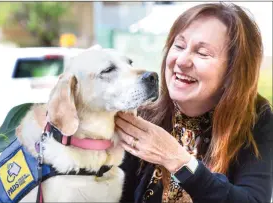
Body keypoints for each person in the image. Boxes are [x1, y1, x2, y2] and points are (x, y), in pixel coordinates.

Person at [115, 3, 273, 203]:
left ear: (232, 72)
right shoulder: (140, 115)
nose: (181, 61)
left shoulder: (255, 121)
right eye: (179, 46)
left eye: (202, 53)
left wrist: (178, 160)